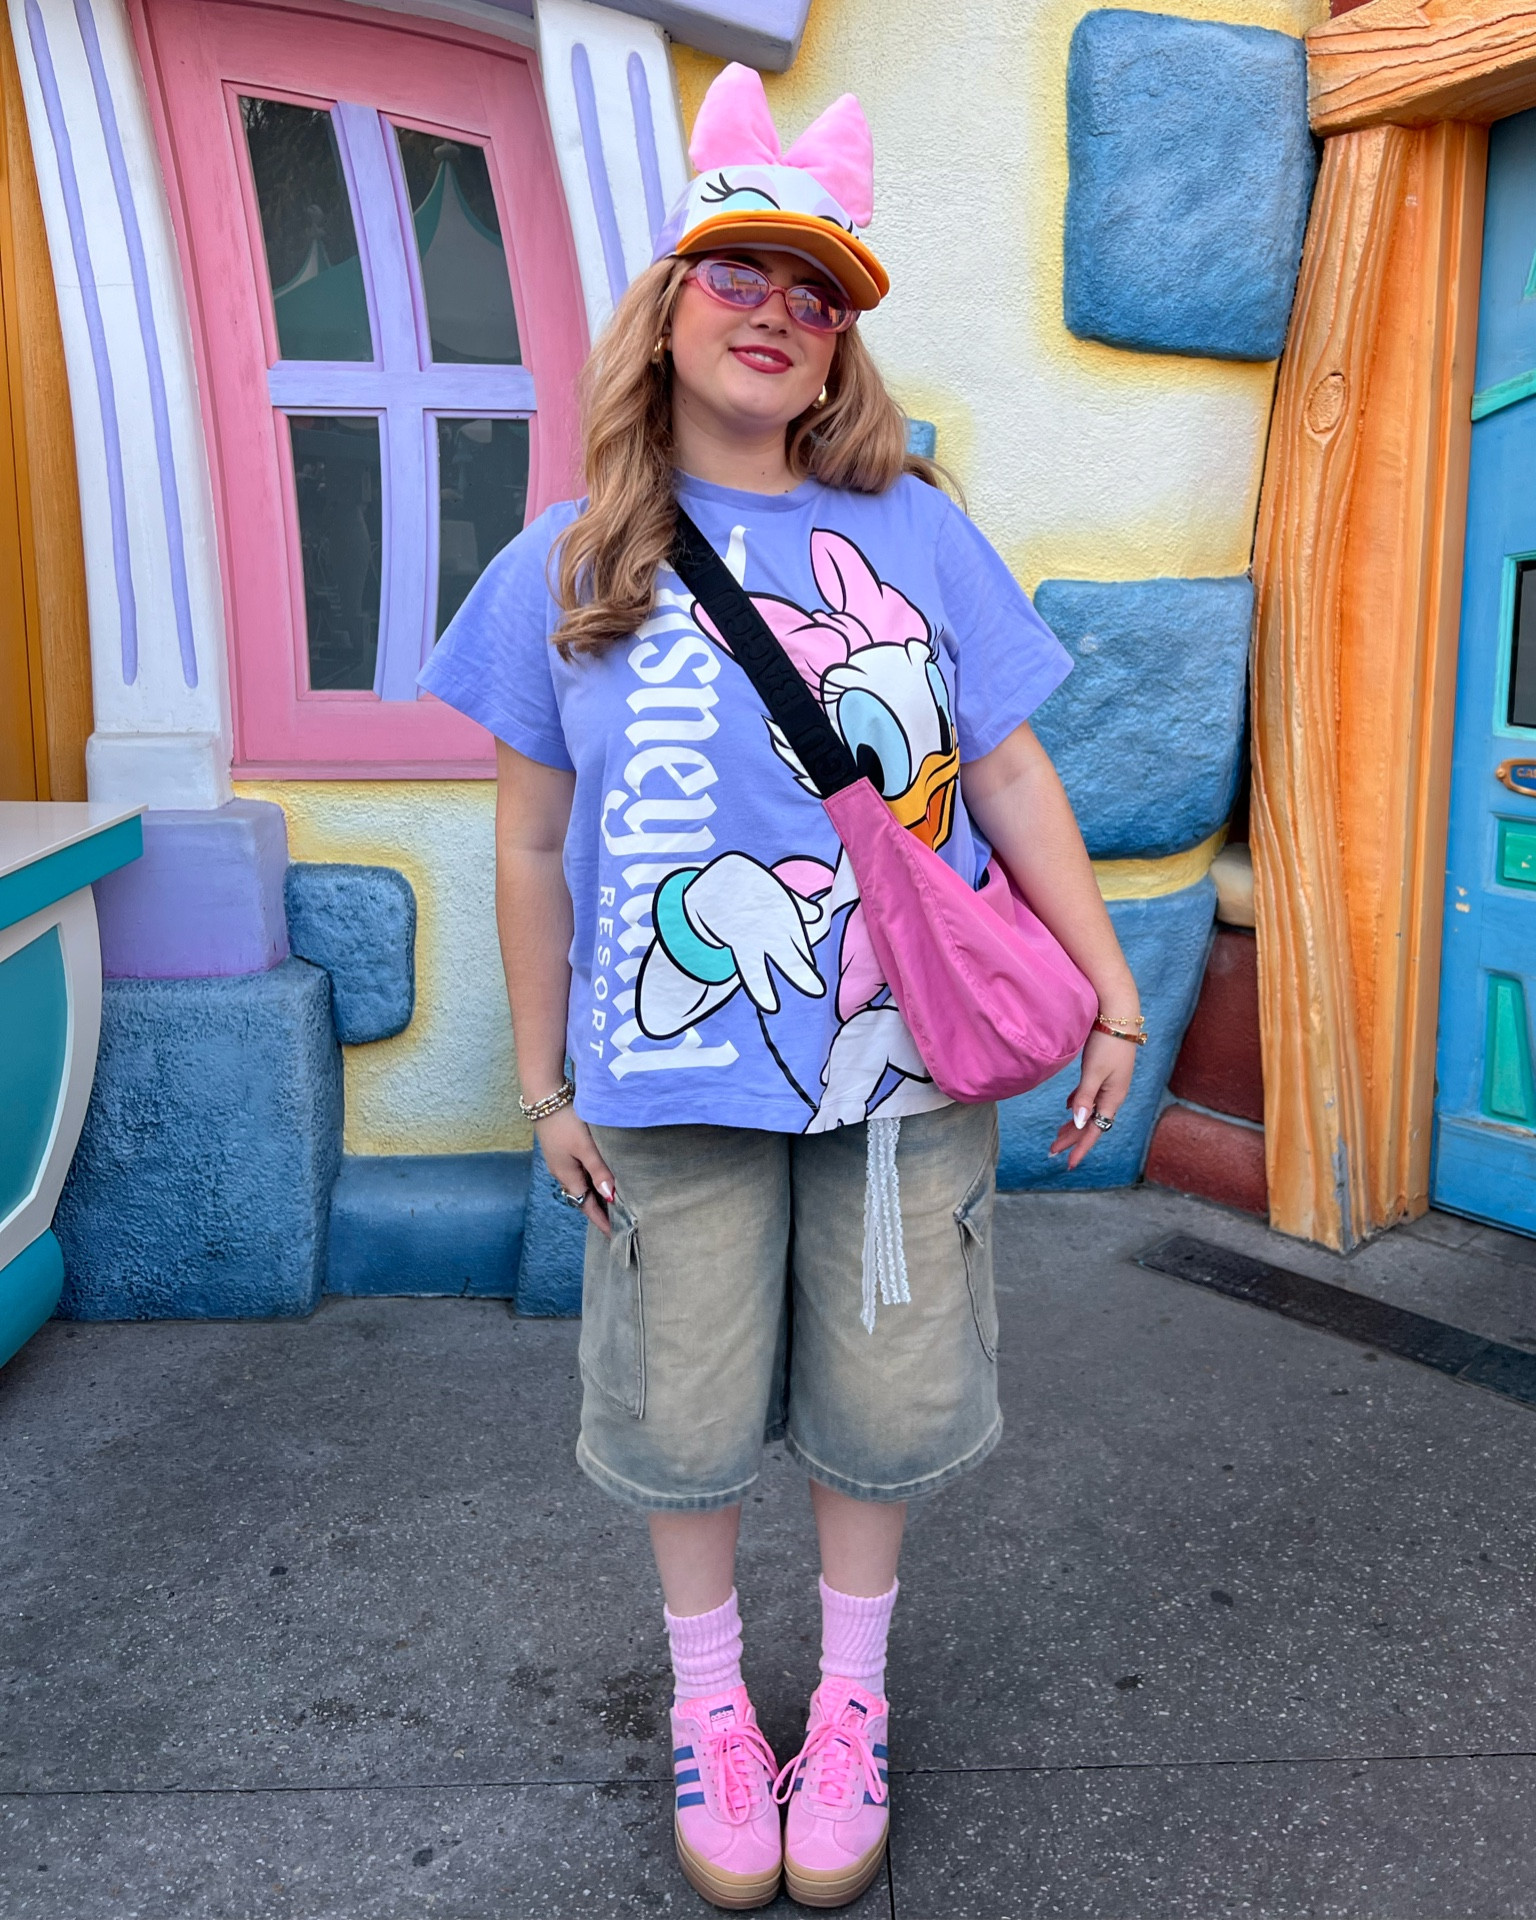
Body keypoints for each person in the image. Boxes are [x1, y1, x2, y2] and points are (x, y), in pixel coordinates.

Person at [420, 61, 1144, 1913]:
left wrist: (1111, 987)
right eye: (738, 271)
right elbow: (523, 847)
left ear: (839, 357)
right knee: (677, 1412)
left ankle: (850, 1704)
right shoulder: (567, 563)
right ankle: (710, 1713)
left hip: (897, 1073)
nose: (776, 311)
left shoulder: (915, 528)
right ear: (668, 308)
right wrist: (546, 1085)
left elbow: (1010, 768)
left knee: (888, 1405)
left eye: (814, 294)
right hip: (663, 1087)